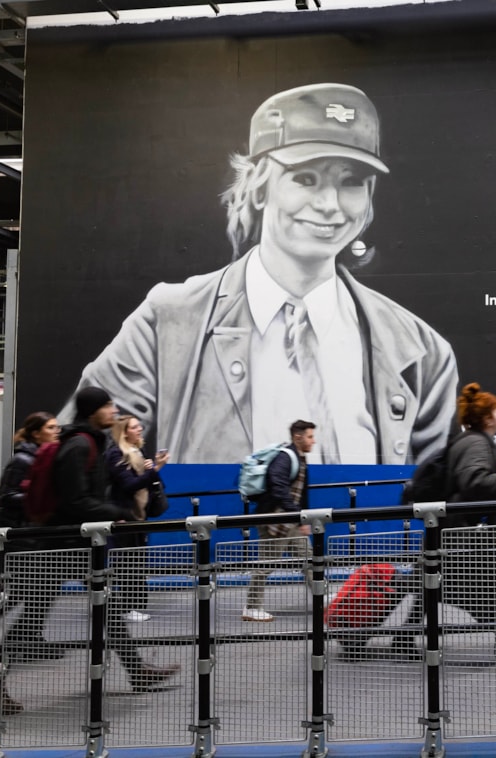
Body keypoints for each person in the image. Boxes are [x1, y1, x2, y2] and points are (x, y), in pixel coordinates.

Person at [63, 82, 458, 465]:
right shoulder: (168, 320)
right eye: (305, 178)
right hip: (225, 534)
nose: (330, 204)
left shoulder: (422, 352)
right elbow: (81, 449)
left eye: (351, 182)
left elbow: (427, 499)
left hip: (357, 536)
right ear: (258, 187)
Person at [48, 387, 179, 692]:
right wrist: (115, 512)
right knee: (32, 612)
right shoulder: (80, 445)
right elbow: (75, 499)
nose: (114, 410)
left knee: (105, 602)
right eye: (108, 405)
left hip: (78, 542)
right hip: (64, 543)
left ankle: (137, 671)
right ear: (93, 410)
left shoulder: (91, 441)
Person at [411, 383, 496, 664]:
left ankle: (404, 638)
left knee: (432, 585)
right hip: (469, 537)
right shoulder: (478, 443)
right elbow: (473, 482)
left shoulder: (471, 441)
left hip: (455, 533)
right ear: (488, 417)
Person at [0, 413, 66, 662]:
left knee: (40, 591)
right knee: (27, 592)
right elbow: (6, 497)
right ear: (36, 433)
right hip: (19, 537)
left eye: (57, 427)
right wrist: (39, 499)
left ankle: (28, 639)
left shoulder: (44, 458)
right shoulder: (22, 460)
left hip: (34, 536)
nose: (56, 431)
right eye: (51, 428)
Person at [243, 420, 315, 623]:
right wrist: (296, 512)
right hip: (274, 521)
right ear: (298, 437)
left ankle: (322, 597)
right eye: (310, 436)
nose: (313, 441)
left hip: (289, 520)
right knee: (266, 563)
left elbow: (301, 492)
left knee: (309, 559)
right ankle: (252, 607)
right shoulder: (286, 457)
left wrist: (302, 517)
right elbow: (278, 485)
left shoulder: (299, 458)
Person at [105, 415, 169, 622]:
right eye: (134, 427)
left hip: (138, 517)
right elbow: (129, 485)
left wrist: (152, 470)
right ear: (124, 432)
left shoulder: (137, 453)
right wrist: (155, 469)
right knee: (127, 565)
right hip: (124, 517)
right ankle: (126, 607)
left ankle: (136, 606)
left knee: (137, 563)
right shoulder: (116, 454)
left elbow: (152, 485)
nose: (140, 429)